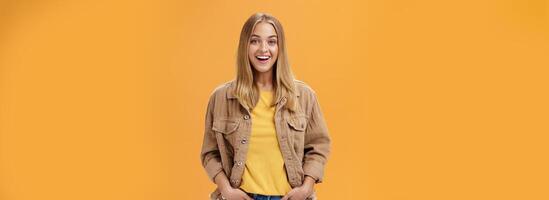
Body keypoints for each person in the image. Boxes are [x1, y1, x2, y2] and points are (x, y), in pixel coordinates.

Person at [200, 12, 331, 200]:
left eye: (271, 41)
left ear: (280, 47)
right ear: (245, 46)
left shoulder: (304, 97)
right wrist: (226, 190)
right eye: (254, 41)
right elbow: (209, 153)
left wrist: (306, 188)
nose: (263, 49)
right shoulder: (222, 98)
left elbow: (319, 147)